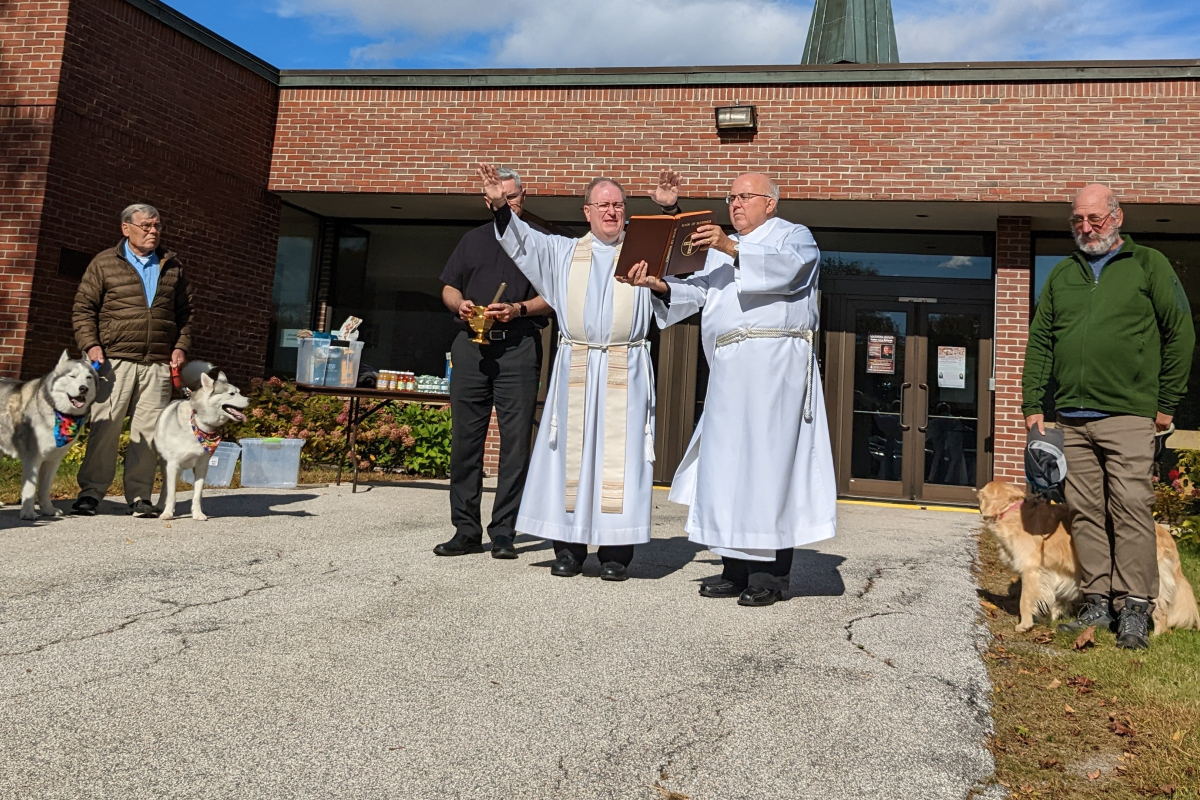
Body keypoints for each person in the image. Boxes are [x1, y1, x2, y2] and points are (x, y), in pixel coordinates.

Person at [622, 170, 837, 606]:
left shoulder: (793, 236)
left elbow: (791, 272)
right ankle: (734, 568)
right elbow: (698, 293)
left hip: (775, 365)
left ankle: (769, 577)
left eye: (745, 196)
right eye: (731, 197)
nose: (735, 204)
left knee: (766, 469)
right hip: (728, 369)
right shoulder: (723, 249)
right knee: (726, 468)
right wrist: (657, 285)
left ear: (770, 202)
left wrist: (728, 246)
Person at [1023, 183, 1194, 649]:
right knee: (1085, 512)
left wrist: (1165, 404)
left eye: (1094, 219)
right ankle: (1097, 601)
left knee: (1132, 510)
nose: (1085, 228)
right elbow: (1042, 340)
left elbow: (1180, 332)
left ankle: (1135, 606)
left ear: (1117, 217)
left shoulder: (1149, 265)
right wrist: (1033, 403)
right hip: (1073, 419)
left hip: (1129, 415)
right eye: (1077, 219)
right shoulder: (1062, 274)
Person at [477, 162, 657, 581]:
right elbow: (522, 243)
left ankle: (615, 553)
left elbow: (683, 273)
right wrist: (502, 205)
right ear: (587, 211)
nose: (611, 212)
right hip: (576, 365)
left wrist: (671, 210)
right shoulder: (563, 251)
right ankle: (570, 550)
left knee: (620, 457)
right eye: (603, 204)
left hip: (623, 365)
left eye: (618, 205)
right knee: (570, 457)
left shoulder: (643, 255)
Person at [435, 167, 552, 560]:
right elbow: (449, 285)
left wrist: (518, 309)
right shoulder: (472, 240)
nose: (508, 203)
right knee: (465, 443)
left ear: (524, 196)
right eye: (500, 198)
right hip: (470, 346)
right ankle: (465, 530)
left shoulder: (541, 243)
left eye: (514, 196)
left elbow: (554, 298)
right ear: (489, 202)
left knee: (516, 444)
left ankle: (504, 531)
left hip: (518, 347)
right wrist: (460, 303)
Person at [71, 203, 193, 518]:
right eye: (146, 226)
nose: (154, 231)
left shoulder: (172, 266)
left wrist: (180, 346)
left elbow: (186, 315)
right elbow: (84, 309)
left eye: (158, 226)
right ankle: (91, 493)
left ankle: (139, 497)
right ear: (126, 228)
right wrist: (91, 344)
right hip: (114, 360)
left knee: (149, 433)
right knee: (105, 427)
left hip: (157, 363)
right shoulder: (105, 263)